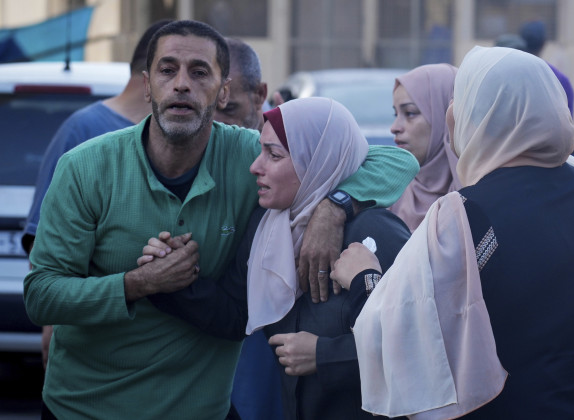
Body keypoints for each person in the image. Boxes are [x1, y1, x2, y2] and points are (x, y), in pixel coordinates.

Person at [23, 20, 418, 420]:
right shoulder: (85, 167)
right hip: (86, 409)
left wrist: (332, 209)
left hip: (202, 409)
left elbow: (396, 160)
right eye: (166, 70)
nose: (181, 84)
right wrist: (139, 284)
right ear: (146, 86)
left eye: (199, 72)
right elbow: (41, 296)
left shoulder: (247, 156)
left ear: (223, 90)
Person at [331, 46, 574, 419]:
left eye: (461, 99)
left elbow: (404, 336)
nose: (453, 112)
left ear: (484, 113)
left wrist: (364, 277)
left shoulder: (462, 213)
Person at [138, 97, 412, 419]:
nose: (255, 166)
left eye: (274, 155)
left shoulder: (375, 232)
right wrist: (172, 278)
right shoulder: (268, 227)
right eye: (261, 150)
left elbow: (412, 344)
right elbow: (237, 314)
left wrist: (323, 356)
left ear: (315, 162)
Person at [20, 18, 172, 369]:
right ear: (149, 74)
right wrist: (52, 324)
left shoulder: (174, 136)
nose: (185, 85)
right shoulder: (85, 130)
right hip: (91, 345)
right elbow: (43, 240)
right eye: (171, 67)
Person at [211, 37, 281, 420]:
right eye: (212, 112)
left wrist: (335, 206)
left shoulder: (293, 134)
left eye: (231, 110)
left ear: (260, 95)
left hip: (269, 358)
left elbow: (384, 162)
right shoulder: (195, 147)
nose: (220, 127)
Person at [516, 20, 574, 169]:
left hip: (516, 158)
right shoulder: (560, 79)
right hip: (554, 161)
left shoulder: (510, 77)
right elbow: (567, 125)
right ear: (544, 43)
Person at [389, 63, 461, 231]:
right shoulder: (387, 195)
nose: (394, 127)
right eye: (395, 114)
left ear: (445, 116)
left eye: (410, 113)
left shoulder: (479, 196)